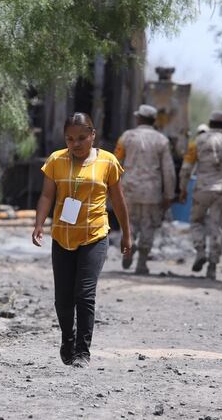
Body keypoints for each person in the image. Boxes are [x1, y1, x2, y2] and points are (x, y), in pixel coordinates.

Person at [32, 112, 131, 368]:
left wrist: (127, 235)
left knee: (84, 295)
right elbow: (46, 196)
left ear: (93, 135)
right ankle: (68, 338)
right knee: (63, 298)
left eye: (81, 138)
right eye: (70, 138)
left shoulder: (108, 162)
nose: (75, 144)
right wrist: (39, 224)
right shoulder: (56, 160)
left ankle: (82, 352)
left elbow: (118, 201)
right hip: (62, 237)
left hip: (94, 235)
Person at [178, 110, 222, 280]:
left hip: (202, 189)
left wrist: (182, 189)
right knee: (217, 227)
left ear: (210, 123)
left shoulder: (197, 142)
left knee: (196, 222)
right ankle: (212, 267)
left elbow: (186, 169)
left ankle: (200, 251)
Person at [114, 104, 176, 274]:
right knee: (148, 226)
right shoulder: (162, 140)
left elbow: (115, 162)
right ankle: (142, 264)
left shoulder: (126, 137)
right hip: (152, 191)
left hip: (129, 189)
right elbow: (168, 170)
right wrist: (169, 194)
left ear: (139, 118)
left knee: (128, 223)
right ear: (154, 120)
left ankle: (129, 245)